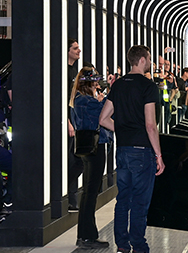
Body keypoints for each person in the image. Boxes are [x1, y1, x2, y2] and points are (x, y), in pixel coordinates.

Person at [98, 45, 165, 253]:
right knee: (140, 202)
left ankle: (122, 244)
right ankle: (138, 245)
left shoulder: (118, 85)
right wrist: (159, 155)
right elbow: (150, 125)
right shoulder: (148, 86)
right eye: (150, 59)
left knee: (123, 199)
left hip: (123, 150)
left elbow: (103, 119)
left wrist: (123, 129)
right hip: (142, 151)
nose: (152, 63)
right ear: (143, 60)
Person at [70, 67, 112, 249]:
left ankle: (86, 235)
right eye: (94, 81)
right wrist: (107, 97)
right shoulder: (86, 100)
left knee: (89, 192)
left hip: (89, 148)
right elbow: (105, 114)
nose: (97, 84)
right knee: (90, 193)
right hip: (95, 148)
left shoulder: (80, 99)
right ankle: (87, 236)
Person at [67, 38, 84, 212]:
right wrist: (68, 122)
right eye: (75, 48)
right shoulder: (64, 71)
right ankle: (69, 198)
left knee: (77, 160)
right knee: (72, 159)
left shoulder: (74, 71)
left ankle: (71, 195)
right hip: (68, 120)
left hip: (75, 118)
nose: (79, 51)